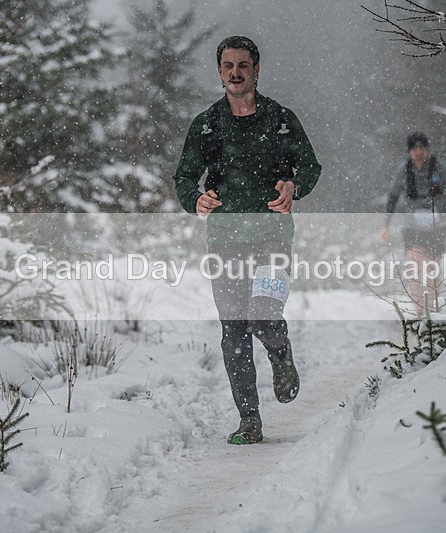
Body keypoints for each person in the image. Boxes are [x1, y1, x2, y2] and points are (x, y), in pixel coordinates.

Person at [172, 36, 321, 445]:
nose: (236, 72)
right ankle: (249, 420)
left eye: (243, 64)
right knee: (234, 328)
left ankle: (280, 351)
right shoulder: (206, 125)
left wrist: (294, 186)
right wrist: (195, 198)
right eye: (228, 65)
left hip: (272, 236)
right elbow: (184, 178)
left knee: (263, 314)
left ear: (257, 69)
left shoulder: (280, 120)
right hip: (224, 239)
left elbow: (310, 167)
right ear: (219, 72)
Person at [379, 132, 446, 315]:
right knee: (415, 266)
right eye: (415, 149)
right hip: (412, 225)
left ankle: (432, 312)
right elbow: (392, 196)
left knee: (432, 270)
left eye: (422, 148)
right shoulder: (404, 170)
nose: (419, 152)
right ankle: (419, 311)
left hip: (436, 225)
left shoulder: (439, 167)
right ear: (410, 151)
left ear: (427, 149)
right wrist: (386, 224)